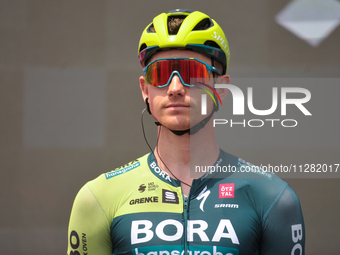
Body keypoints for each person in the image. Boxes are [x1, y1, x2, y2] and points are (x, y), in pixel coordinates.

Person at [67, 9, 305, 255]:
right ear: (145, 89)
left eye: (192, 72)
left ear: (221, 89)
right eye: (160, 74)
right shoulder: (97, 198)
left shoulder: (273, 198)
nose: (175, 88)